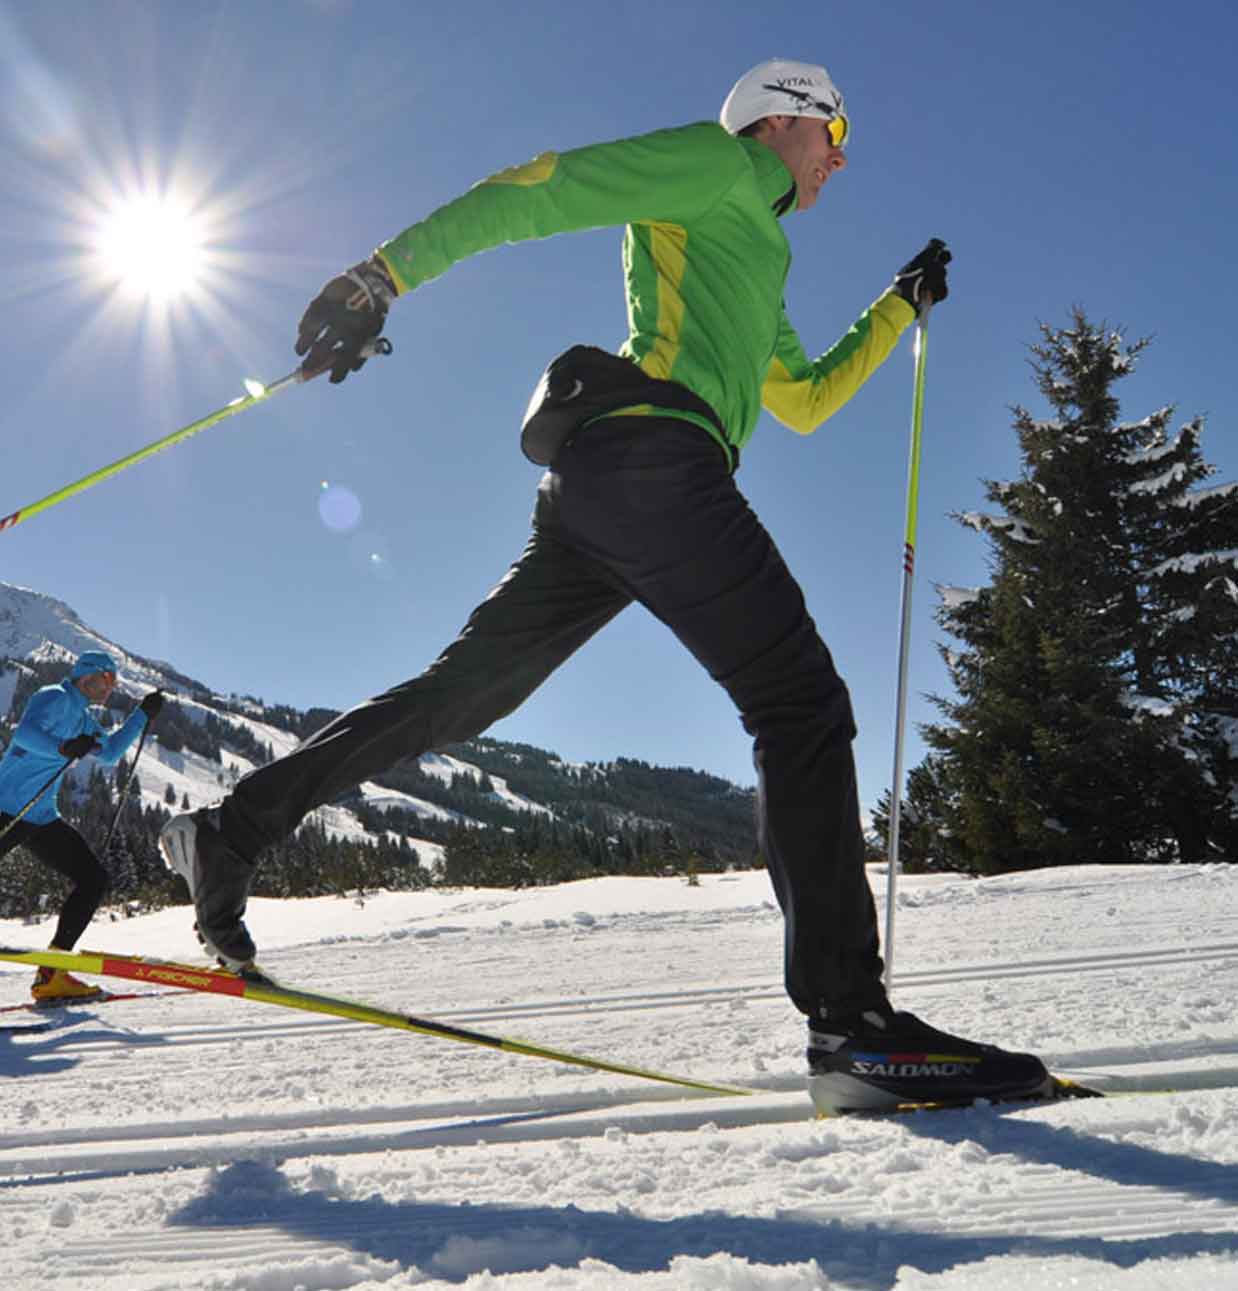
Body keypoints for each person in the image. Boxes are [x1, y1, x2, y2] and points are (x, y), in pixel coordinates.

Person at [160, 58, 1049, 1108]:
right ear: (780, 121)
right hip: (653, 465)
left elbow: (802, 400)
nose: (838, 160)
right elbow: (540, 185)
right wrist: (378, 278)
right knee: (797, 701)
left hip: (602, 491)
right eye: (832, 134)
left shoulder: (755, 249)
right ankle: (851, 1025)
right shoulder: (712, 165)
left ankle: (227, 832)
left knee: (462, 694)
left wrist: (896, 308)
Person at [0, 650, 163, 1001]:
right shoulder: (54, 697)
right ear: (85, 675)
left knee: (93, 879)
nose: (109, 687)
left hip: (40, 816)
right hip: (5, 807)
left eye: (114, 682)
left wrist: (140, 717)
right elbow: (25, 734)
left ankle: (52, 971)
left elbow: (108, 753)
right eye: (106, 679)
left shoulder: (86, 720)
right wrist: (64, 747)